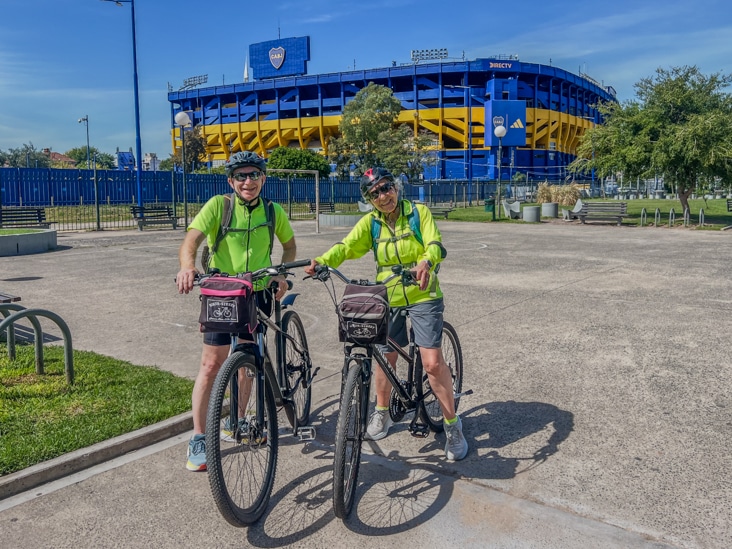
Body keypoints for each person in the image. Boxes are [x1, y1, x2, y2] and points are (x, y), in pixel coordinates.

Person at [304, 167, 468, 461]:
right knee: (384, 357)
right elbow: (347, 247)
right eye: (375, 192)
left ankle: (452, 425)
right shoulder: (371, 224)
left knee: (431, 363)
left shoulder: (418, 213)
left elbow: (435, 244)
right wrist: (323, 261)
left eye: (386, 187)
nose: (383, 195)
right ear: (369, 198)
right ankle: (381, 412)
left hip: (423, 294)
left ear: (395, 187)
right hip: (387, 297)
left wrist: (426, 262)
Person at [176, 151, 297, 471]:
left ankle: (238, 420)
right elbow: (191, 242)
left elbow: (290, 244)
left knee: (247, 363)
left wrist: (281, 273)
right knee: (210, 364)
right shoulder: (219, 206)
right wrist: (187, 267)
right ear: (231, 181)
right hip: (222, 292)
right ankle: (199, 437)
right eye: (241, 176)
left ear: (263, 179)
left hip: (256, 293)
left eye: (254, 175)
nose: (248, 181)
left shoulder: (273, 211)